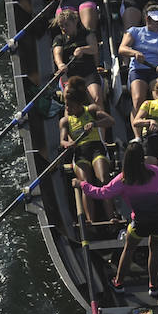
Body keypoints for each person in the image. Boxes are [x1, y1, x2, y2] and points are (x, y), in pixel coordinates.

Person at [78, 139, 158, 295]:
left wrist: (81, 185)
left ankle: (119, 283)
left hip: (140, 223)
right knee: (154, 248)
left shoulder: (123, 179)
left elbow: (101, 193)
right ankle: (153, 286)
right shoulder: (156, 172)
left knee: (129, 249)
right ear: (142, 157)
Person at [60, 76, 115, 221]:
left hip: (97, 149)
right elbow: (62, 141)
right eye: (66, 105)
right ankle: (90, 221)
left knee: (104, 180)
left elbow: (111, 121)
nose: (67, 108)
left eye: (70, 106)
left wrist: (95, 124)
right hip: (80, 153)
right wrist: (68, 144)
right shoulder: (65, 121)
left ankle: (111, 218)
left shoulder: (91, 110)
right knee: (86, 184)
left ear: (79, 105)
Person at [118, 5, 158, 109]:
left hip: (156, 71)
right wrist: (135, 53)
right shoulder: (134, 31)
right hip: (138, 70)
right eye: (156, 20)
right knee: (138, 99)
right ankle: (138, 122)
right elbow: (122, 48)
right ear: (148, 19)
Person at [52, 7, 104, 108]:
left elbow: (94, 48)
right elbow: (57, 54)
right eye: (61, 26)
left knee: (96, 98)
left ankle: (101, 121)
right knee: (71, 102)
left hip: (89, 73)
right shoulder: (59, 39)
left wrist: (83, 50)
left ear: (75, 22)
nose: (64, 28)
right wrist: (60, 64)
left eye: (67, 25)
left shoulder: (87, 33)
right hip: (71, 76)